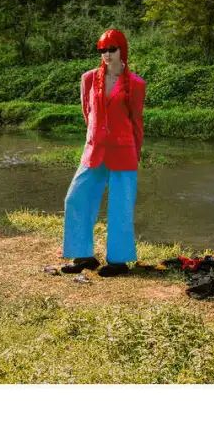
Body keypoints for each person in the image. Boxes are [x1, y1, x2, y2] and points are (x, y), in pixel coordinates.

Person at [59, 29, 146, 278]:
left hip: (124, 151)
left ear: (122, 50)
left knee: (121, 206)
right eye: (102, 50)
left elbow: (136, 121)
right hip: (94, 149)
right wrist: (95, 136)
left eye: (112, 49)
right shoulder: (88, 78)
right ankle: (83, 256)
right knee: (76, 198)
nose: (107, 54)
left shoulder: (136, 84)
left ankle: (118, 261)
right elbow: (87, 112)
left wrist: (136, 152)